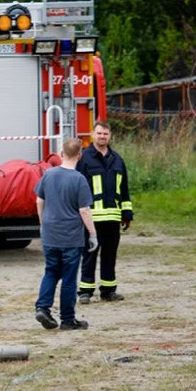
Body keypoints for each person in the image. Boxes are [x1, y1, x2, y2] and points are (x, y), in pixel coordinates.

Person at [34, 138, 98, 331]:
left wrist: (42, 223)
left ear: (61, 154)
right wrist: (92, 234)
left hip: (50, 234)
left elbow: (39, 201)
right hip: (70, 237)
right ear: (80, 155)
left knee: (51, 272)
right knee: (69, 278)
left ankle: (42, 308)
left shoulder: (49, 174)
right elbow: (84, 210)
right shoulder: (79, 179)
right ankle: (68, 319)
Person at [76, 121, 133, 304]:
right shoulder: (84, 158)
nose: (102, 137)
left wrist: (127, 213)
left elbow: (124, 188)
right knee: (89, 254)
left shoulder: (117, 159)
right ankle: (85, 291)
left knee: (110, 255)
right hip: (91, 218)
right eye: (99, 133)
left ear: (110, 136)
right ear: (93, 134)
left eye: (105, 134)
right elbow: (77, 187)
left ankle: (108, 291)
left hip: (113, 217)